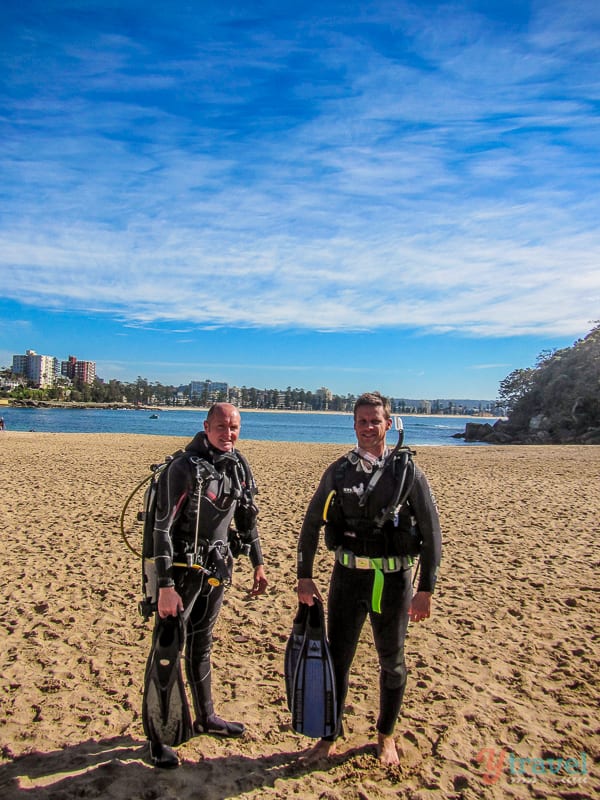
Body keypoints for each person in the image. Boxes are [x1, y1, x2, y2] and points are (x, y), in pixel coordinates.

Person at [296, 392, 442, 765]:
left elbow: (431, 534)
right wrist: (305, 575)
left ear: (388, 424)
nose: (367, 427)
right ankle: (329, 735)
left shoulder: (408, 474)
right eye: (361, 421)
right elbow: (312, 524)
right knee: (338, 660)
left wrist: (425, 590)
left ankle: (386, 735)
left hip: (393, 582)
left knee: (391, 661)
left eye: (375, 421)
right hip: (347, 578)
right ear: (354, 425)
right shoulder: (339, 471)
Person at [144, 402, 268, 768]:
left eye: (234, 428)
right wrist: (165, 585)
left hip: (216, 568)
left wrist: (258, 563)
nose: (228, 434)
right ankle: (159, 737)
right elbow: (161, 529)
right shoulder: (183, 469)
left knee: (202, 645)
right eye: (221, 427)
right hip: (180, 574)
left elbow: (246, 519)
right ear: (206, 426)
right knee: (167, 649)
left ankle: (206, 716)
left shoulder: (237, 466)